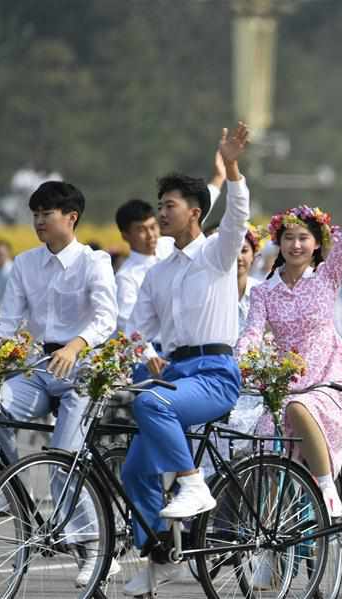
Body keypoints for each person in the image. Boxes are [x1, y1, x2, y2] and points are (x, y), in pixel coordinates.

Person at [121, 124, 251, 595]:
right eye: (159, 206)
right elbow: (136, 330)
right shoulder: (158, 274)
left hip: (215, 375)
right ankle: (162, 558)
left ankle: (194, 485)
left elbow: (238, 213)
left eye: (169, 206)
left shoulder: (218, 254)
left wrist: (231, 166)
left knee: (153, 405)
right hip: (176, 375)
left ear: (195, 213)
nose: (161, 213)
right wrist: (144, 352)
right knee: (133, 470)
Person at [238, 158, 342, 517]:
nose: (295, 245)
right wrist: (241, 360)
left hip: (328, 381)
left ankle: (325, 487)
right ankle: (268, 533)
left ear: (317, 244)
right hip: (282, 382)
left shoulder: (327, 277)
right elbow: (252, 333)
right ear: (278, 243)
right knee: (261, 445)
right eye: (288, 237)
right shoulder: (263, 292)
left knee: (298, 408)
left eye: (303, 237)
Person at [0, 181, 118, 588]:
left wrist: (76, 345)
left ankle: (96, 548)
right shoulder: (25, 264)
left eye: (47, 213)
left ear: (71, 218)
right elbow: (8, 324)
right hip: (40, 367)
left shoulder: (94, 262)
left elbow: (105, 319)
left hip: (82, 371)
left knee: (64, 458)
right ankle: (16, 497)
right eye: (35, 214)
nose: (39, 221)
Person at [115, 152, 225, 336]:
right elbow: (130, 324)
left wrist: (220, 177)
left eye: (152, 227)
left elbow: (193, 210)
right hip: (157, 350)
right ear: (125, 235)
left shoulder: (169, 244)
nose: (150, 235)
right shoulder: (126, 276)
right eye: (141, 230)